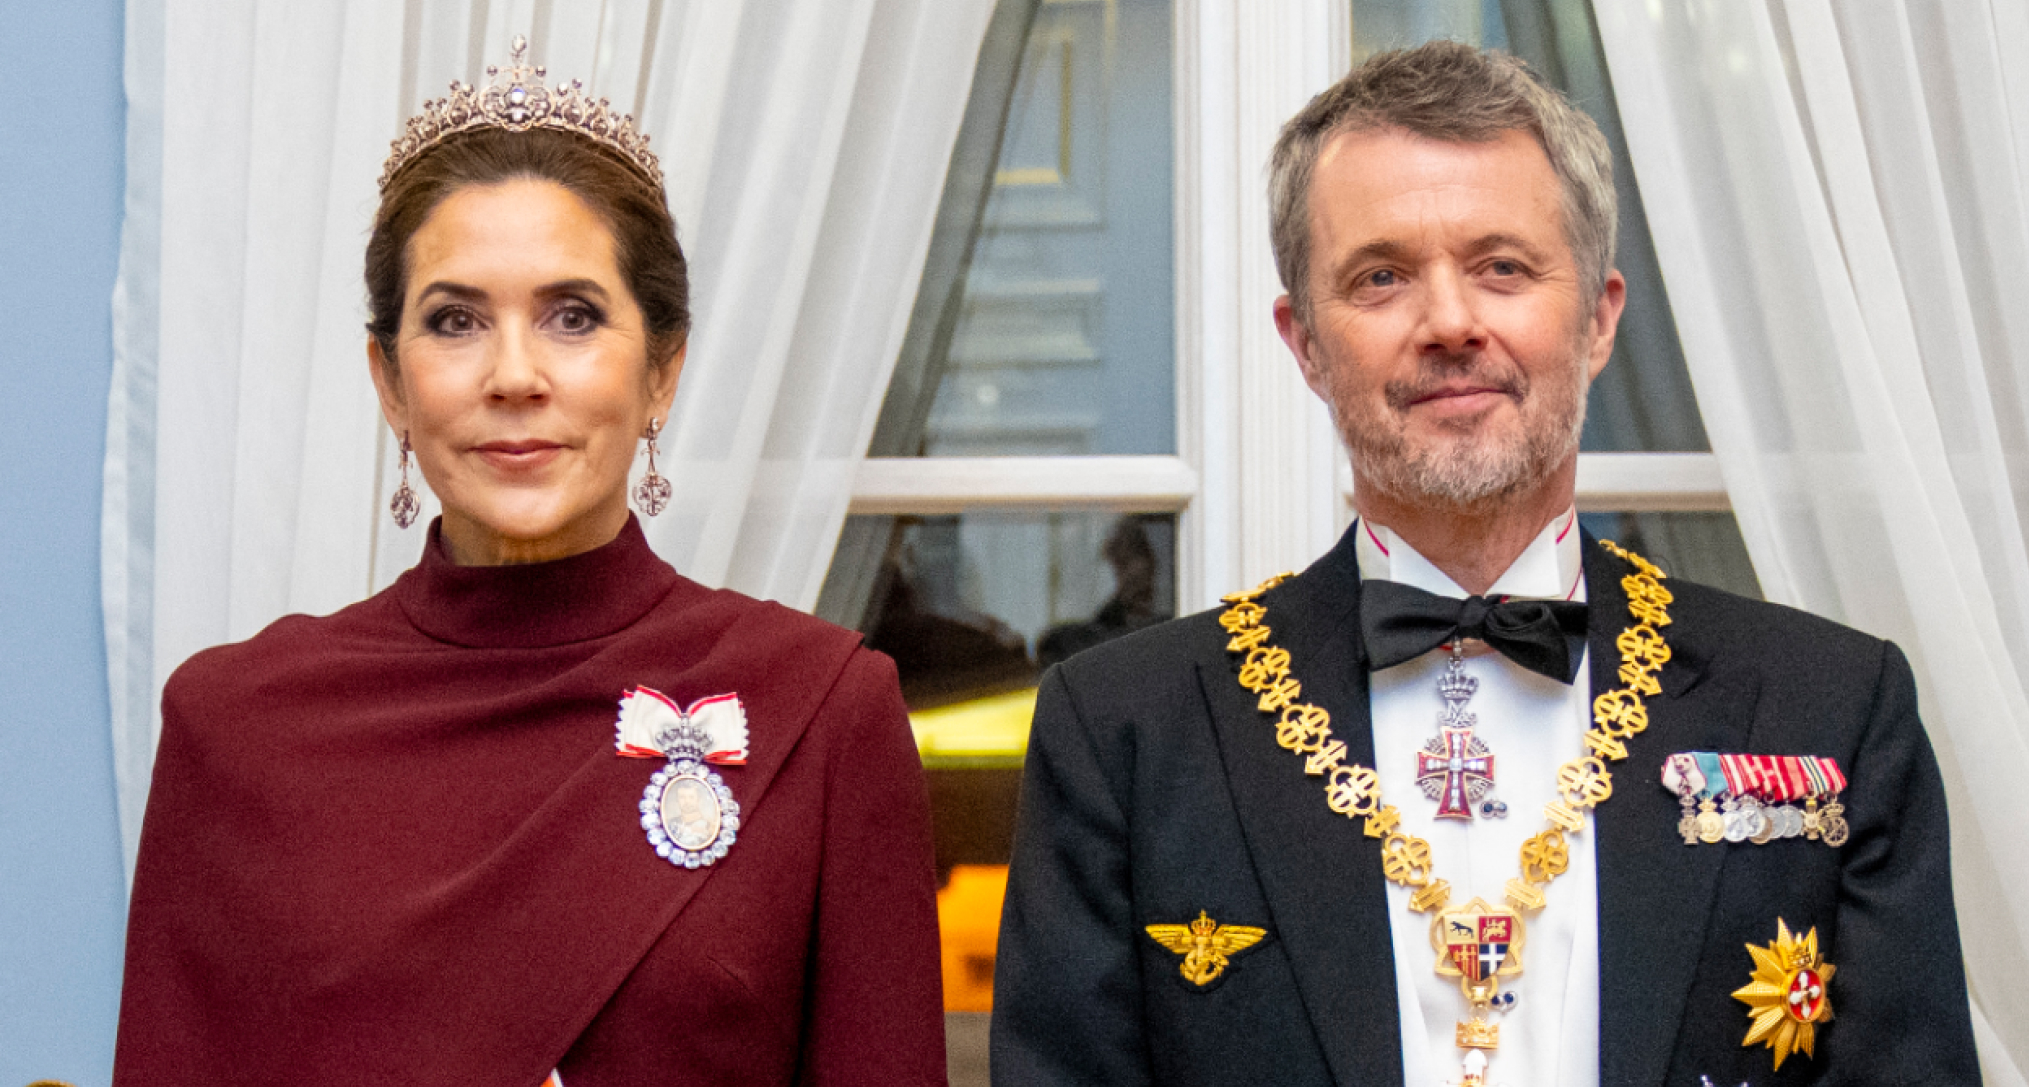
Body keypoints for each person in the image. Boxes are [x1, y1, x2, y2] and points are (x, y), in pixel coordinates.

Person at [991, 40, 1979, 1087]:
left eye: (1501, 267)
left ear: (1597, 318)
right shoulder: (1125, 732)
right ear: (1305, 344)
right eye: (1380, 277)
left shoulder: (1827, 704)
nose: (1450, 322)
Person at [114, 38, 945, 1087]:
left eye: (574, 317)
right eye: (455, 321)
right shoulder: (236, 728)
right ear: (389, 380)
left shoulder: (821, 710)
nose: (514, 374)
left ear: (661, 372)